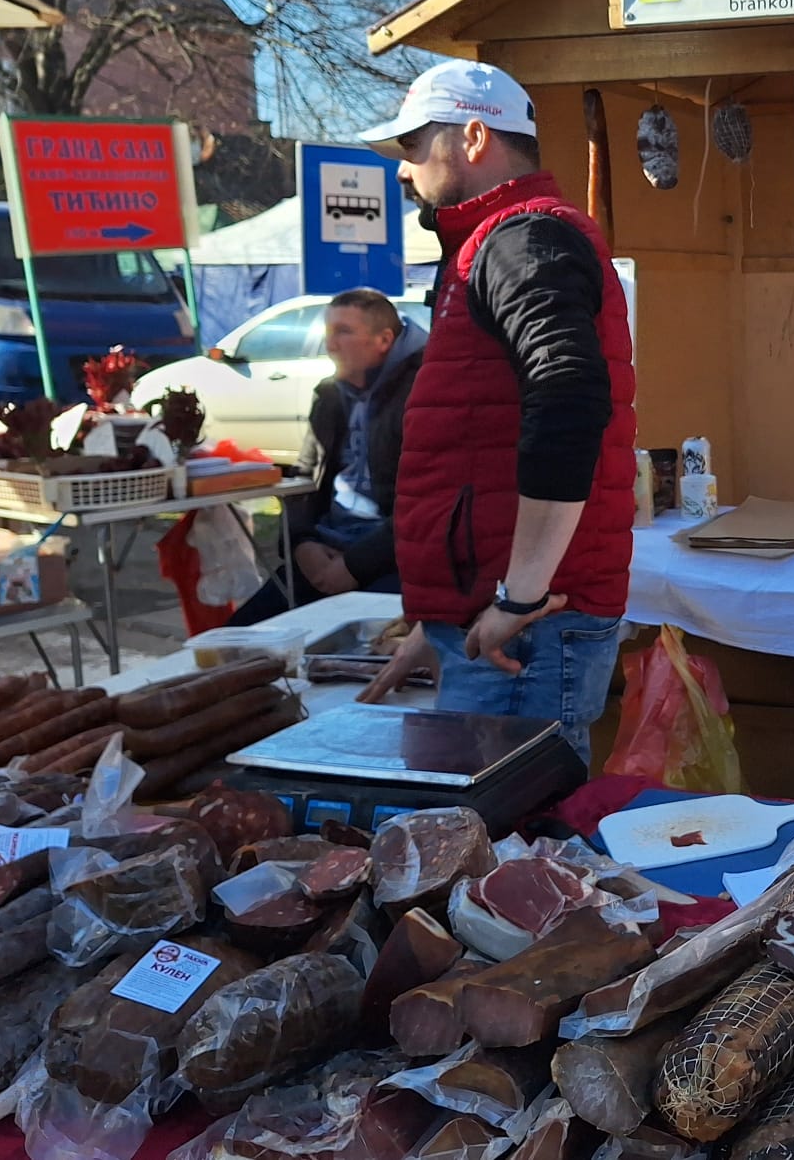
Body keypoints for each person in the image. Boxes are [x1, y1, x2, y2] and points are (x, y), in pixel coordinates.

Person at [351, 60, 638, 762]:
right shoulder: (488, 244)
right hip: (501, 619)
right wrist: (443, 619)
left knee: (504, 846)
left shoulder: (521, 238)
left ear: (475, 138)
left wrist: (519, 595)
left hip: (528, 629)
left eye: (415, 145)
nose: (402, 170)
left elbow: (569, 394)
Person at [229, 289, 424, 626]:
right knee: (236, 639)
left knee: (361, 653)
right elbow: (304, 478)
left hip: (394, 560)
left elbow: (428, 504)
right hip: (325, 549)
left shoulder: (423, 393)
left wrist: (356, 565)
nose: (330, 345)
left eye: (343, 332)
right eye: (328, 333)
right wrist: (301, 544)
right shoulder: (330, 393)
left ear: (384, 340)